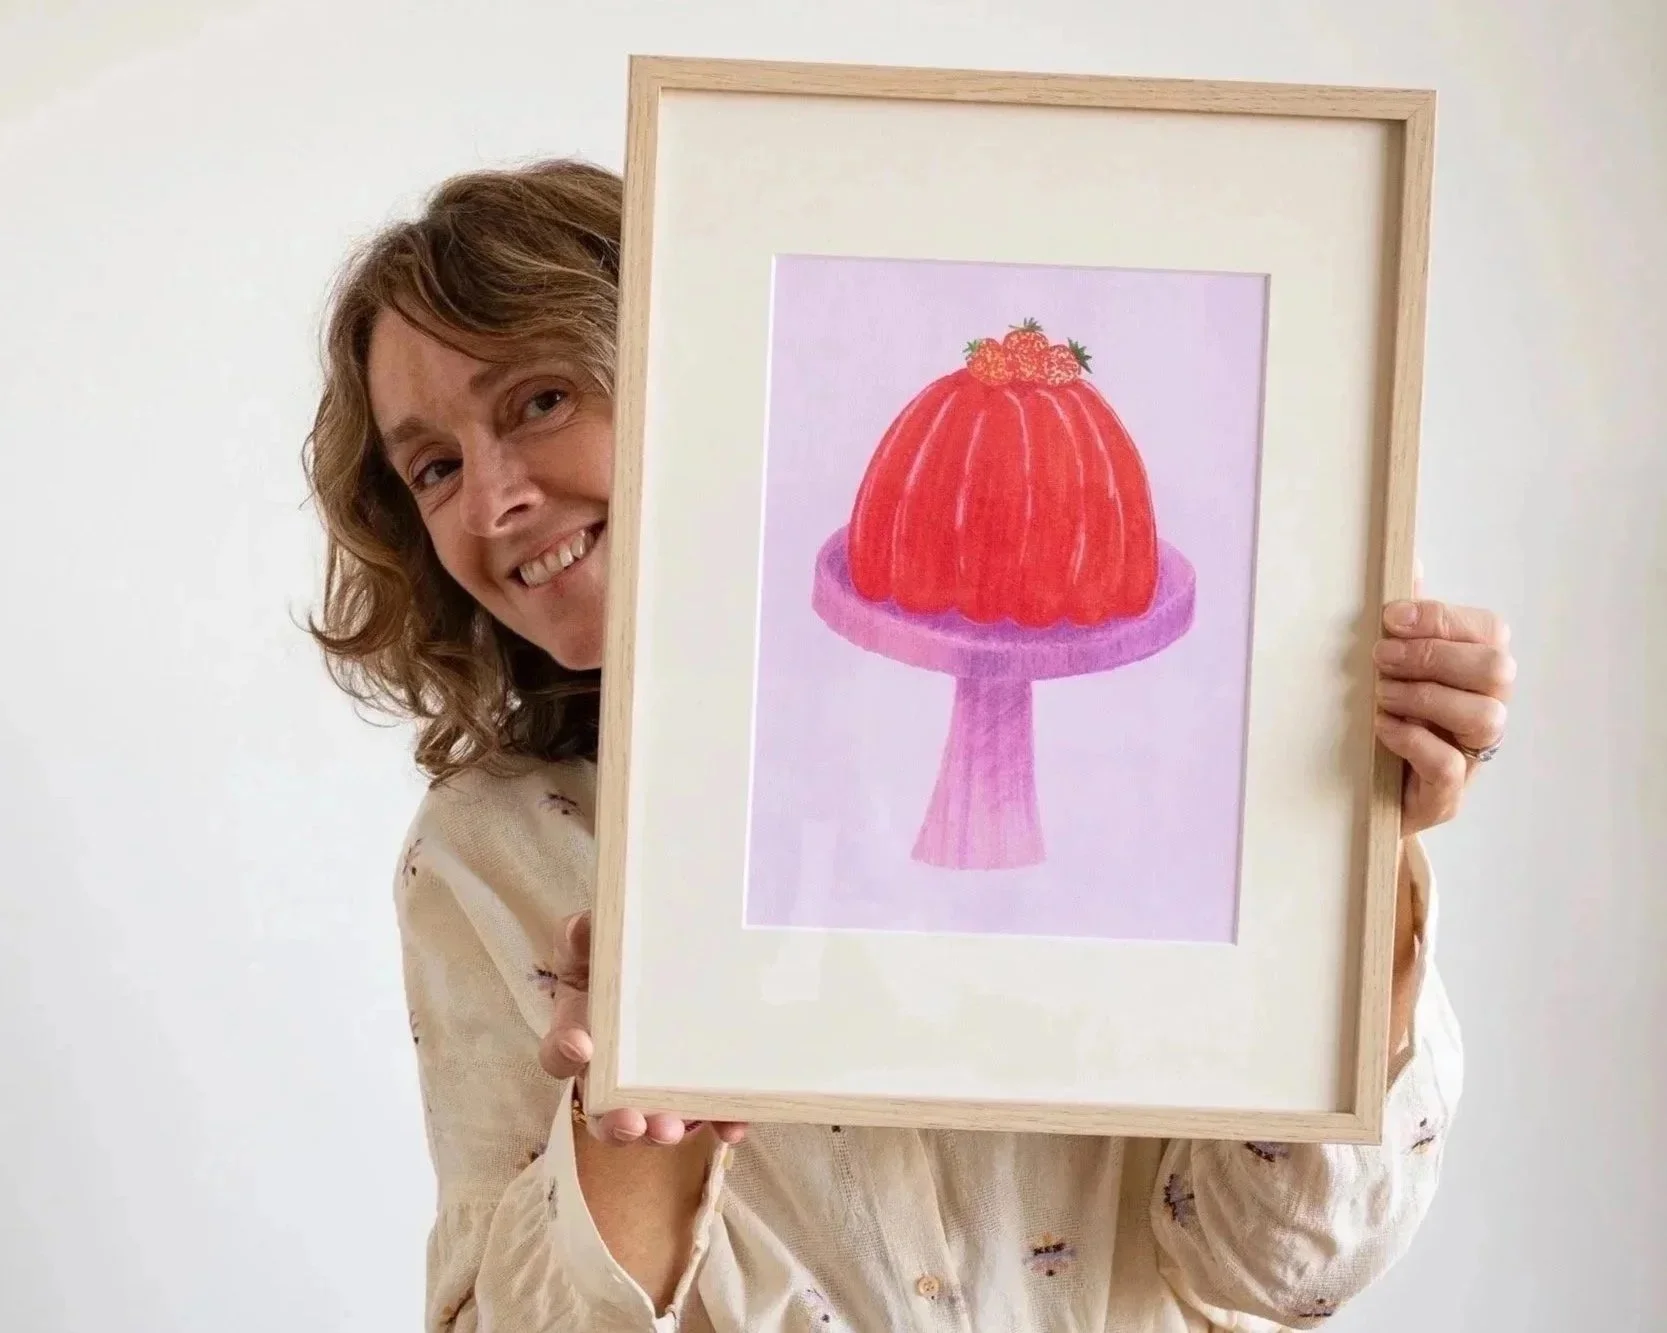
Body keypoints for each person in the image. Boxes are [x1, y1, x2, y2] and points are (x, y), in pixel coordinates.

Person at [303, 158, 1513, 1333]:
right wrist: (629, 1130)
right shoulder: (487, 855)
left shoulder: (1155, 781)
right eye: (434, 466)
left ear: (694, 356)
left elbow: (1286, 1265)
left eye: (541, 398)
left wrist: (1351, 860)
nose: (493, 496)